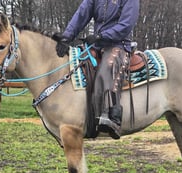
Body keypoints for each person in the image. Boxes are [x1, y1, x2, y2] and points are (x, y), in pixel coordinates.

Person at [53, 0, 140, 139]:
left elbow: (126, 24)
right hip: (97, 45)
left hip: (118, 44)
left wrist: (101, 36)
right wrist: (66, 37)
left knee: (106, 71)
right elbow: (81, 14)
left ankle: (113, 118)